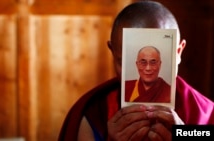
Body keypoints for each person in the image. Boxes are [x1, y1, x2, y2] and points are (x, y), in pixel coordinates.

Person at [58, 1, 214, 141]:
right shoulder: (96, 111)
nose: (147, 70)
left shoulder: (204, 111)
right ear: (113, 52)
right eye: (124, 62)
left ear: (178, 52)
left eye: (157, 62)